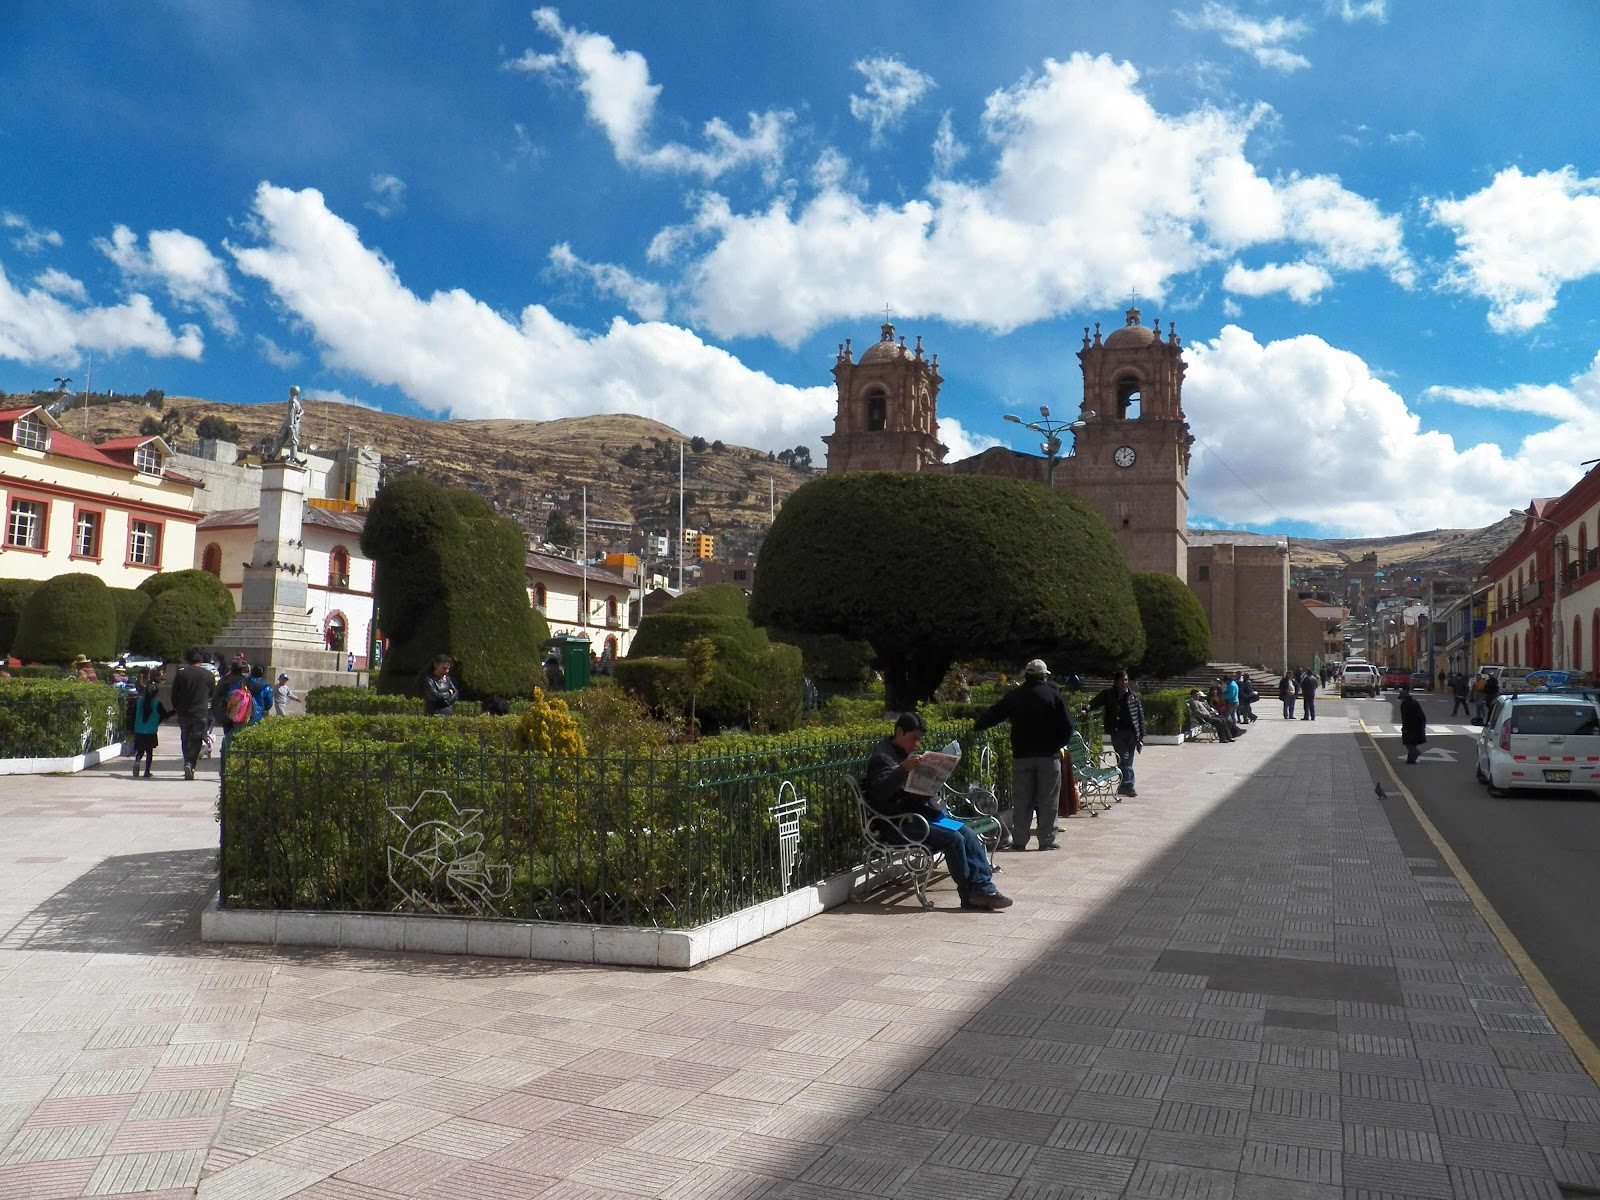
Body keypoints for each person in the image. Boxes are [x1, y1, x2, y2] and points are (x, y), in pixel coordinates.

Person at [864, 712, 1012, 910]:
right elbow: (881, 793)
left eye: (919, 740)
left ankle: (983, 886)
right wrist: (903, 770)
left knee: (966, 832)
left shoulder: (903, 754)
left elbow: (910, 792)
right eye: (913, 738)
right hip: (898, 824)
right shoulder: (882, 758)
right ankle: (969, 892)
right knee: (954, 839)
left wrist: (931, 783)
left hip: (917, 818)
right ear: (899, 732)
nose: (916, 744)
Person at [972, 658, 1075, 851]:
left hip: (1022, 756)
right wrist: (1058, 744)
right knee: (1048, 800)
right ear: (1044, 675)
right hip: (1048, 756)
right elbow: (1068, 725)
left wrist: (977, 726)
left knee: (1022, 800)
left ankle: (1020, 840)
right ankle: (1046, 840)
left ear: (1026, 675)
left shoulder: (1016, 696)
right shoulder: (1054, 696)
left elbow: (995, 714)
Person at [1087, 669, 1145, 798]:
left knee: (1128, 760)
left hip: (1131, 733)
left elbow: (1140, 716)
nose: (1124, 682)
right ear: (1116, 681)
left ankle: (1124, 786)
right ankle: (1129, 786)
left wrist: (1142, 735)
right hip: (1117, 732)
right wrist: (1086, 708)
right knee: (1124, 758)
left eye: (1126, 680)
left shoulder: (1133, 696)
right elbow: (1095, 703)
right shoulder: (1108, 694)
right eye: (1122, 680)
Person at [171, 648, 215, 781]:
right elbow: (212, 693)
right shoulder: (208, 675)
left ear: (188, 660)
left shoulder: (181, 674)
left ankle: (187, 761)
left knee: (185, 736)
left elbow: (174, 694)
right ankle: (191, 763)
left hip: (184, 711)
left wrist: (176, 707)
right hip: (200, 711)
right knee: (197, 738)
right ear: (201, 660)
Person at [128, 674, 171, 778]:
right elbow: (165, 715)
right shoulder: (157, 704)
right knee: (149, 752)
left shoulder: (139, 702)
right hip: (151, 731)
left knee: (140, 750)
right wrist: (175, 711)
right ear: (156, 693)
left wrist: (130, 729)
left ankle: (137, 761)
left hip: (139, 730)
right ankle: (147, 771)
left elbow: (132, 716)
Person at [213, 661, 253, 752]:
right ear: (242, 669)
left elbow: (217, 695)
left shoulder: (225, 679)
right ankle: (237, 750)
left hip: (227, 708)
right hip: (241, 710)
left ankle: (227, 749)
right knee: (239, 731)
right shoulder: (245, 680)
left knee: (228, 731)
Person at [1399, 685, 1428, 763]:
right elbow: (1422, 715)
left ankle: (1414, 753)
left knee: (1408, 742)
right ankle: (1411, 759)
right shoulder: (1415, 702)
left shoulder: (1404, 705)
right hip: (1418, 724)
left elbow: (1404, 717)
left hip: (1410, 726)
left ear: (1403, 698)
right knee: (1413, 742)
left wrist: (1404, 728)